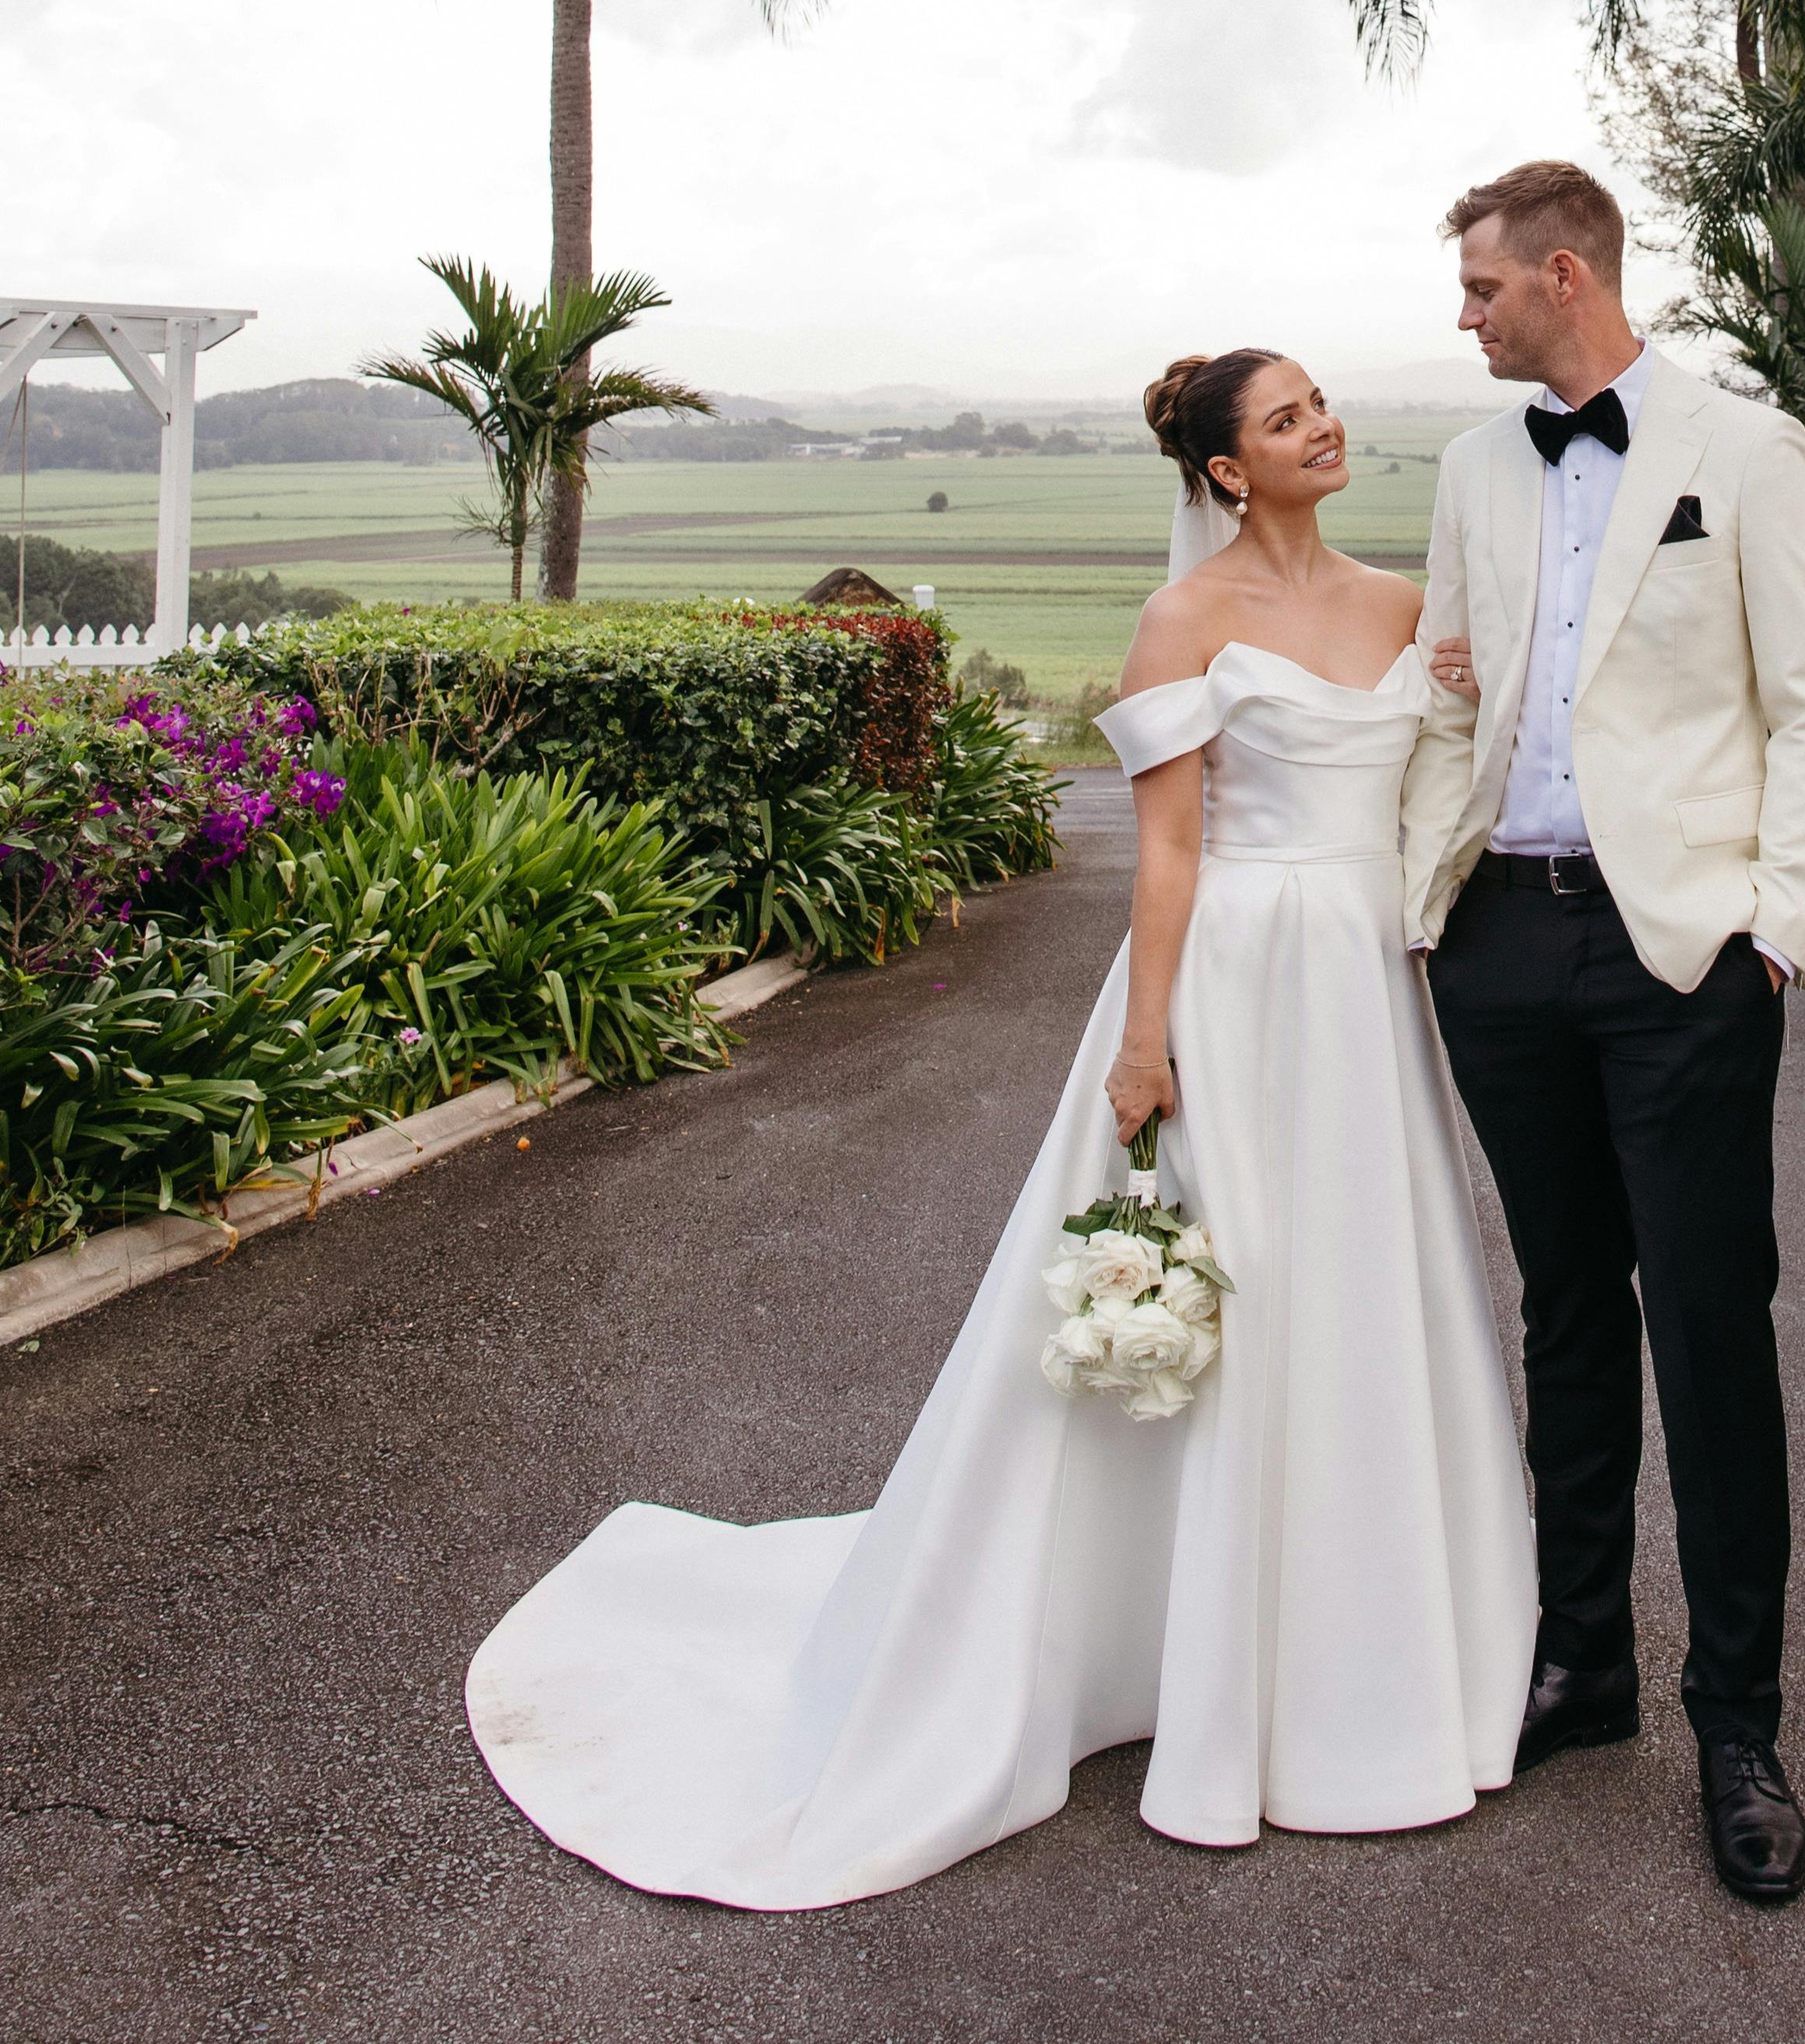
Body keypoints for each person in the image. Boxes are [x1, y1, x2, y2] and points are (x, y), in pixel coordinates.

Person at [465, 349, 1535, 1902]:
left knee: (1361, 1294)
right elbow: (1165, 854)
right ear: (1227, 469)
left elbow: (1453, 773)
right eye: (1287, 416)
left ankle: (1360, 1650)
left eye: (1322, 404)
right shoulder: (1186, 619)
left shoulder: (1400, 604)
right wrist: (1147, 1041)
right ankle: (1153, 1643)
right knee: (1222, 1291)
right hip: (1233, 986)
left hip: (1367, 991)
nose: (1324, 428)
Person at [1400, 161, 1805, 1909]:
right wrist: (1427, 897)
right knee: (1567, 1308)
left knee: (1709, 1324)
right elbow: (1453, 686)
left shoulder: (1743, 451)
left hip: (1684, 959)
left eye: (1482, 286)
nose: (1466, 313)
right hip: (1504, 945)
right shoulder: (1466, 467)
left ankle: (1737, 1720)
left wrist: (1774, 934)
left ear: (1565, 273)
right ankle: (1581, 1659)